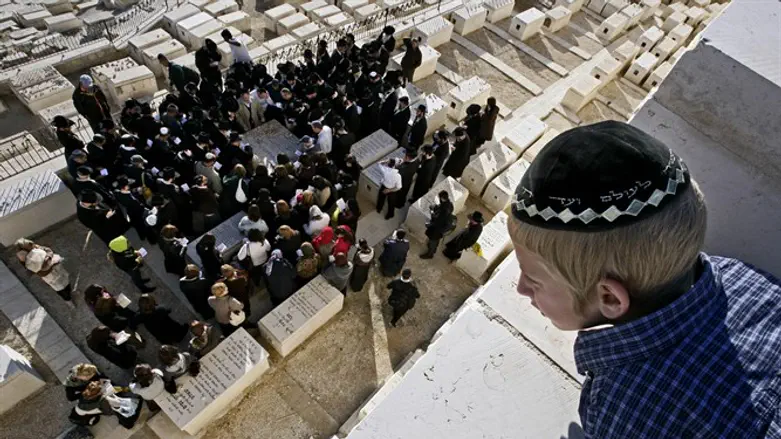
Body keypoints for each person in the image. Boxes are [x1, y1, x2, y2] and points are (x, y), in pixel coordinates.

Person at [508, 121, 781, 437]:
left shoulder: (627, 414)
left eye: (533, 278)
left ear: (610, 298)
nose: (521, 288)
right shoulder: (752, 282)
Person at [72, 381, 143, 429]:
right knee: (124, 415)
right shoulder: (103, 401)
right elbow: (111, 410)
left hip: (86, 409)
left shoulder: (84, 396)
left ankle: (125, 423)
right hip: (111, 408)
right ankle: (128, 424)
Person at [421, 191, 455, 259]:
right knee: (436, 240)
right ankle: (434, 249)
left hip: (437, 228)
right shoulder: (450, 204)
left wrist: (432, 211)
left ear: (442, 198)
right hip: (441, 228)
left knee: (432, 241)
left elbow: (437, 219)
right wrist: (435, 207)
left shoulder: (444, 211)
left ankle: (430, 254)